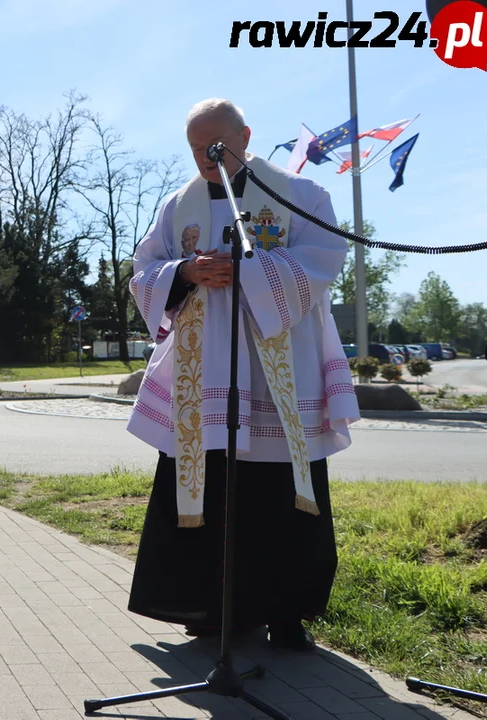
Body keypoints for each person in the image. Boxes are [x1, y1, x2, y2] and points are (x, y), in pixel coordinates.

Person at [125, 99, 359, 651]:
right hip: (201, 374)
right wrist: (184, 271)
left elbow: (325, 258)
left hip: (280, 370)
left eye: (217, 146)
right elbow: (144, 270)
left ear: (244, 136)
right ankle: (209, 610)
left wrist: (252, 271)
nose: (207, 158)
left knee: (277, 493)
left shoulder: (300, 195)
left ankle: (286, 614)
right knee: (207, 489)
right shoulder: (176, 206)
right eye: (196, 148)